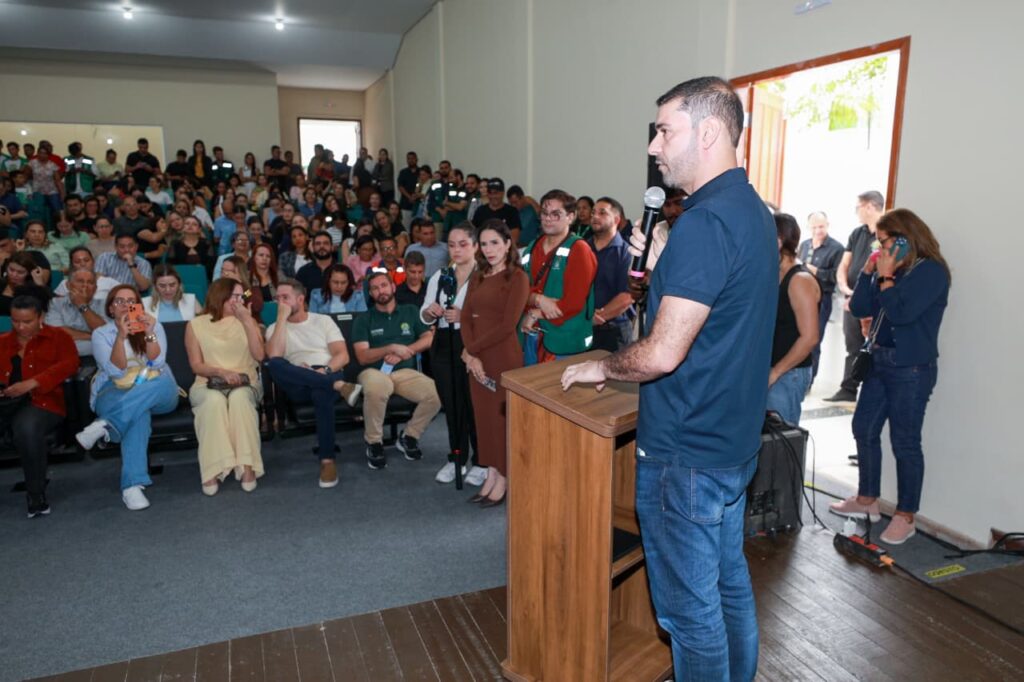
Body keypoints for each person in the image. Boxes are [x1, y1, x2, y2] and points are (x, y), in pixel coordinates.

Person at [561, 77, 777, 680]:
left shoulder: (705, 224)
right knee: (727, 582)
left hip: (686, 452)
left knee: (690, 614)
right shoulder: (754, 212)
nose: (654, 147)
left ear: (708, 132)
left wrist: (601, 365)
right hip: (731, 441)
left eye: (663, 131)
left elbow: (660, 355)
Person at [829, 208, 950, 545]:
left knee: (905, 441)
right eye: (877, 243)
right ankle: (867, 500)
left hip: (910, 368)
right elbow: (861, 308)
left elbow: (901, 312)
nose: (879, 249)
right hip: (880, 361)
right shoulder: (890, 269)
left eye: (884, 242)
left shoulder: (931, 272)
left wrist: (886, 277)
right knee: (863, 427)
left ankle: (905, 515)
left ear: (906, 238)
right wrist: (870, 274)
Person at [77, 285, 181, 511]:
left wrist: (149, 331)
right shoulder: (101, 334)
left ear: (138, 307)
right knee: (138, 414)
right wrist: (121, 337)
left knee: (163, 379)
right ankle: (132, 487)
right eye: (119, 302)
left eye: (130, 301)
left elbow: (157, 363)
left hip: (156, 391)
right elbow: (116, 372)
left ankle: (106, 425)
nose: (125, 306)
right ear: (110, 308)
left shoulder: (154, 326)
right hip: (115, 391)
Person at [460, 220, 530, 506]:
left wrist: (469, 351)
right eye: (484, 243)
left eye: (495, 243)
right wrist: (471, 353)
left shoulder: (517, 278)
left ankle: (504, 479)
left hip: (503, 358)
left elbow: (506, 326)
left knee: (501, 422)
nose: (489, 250)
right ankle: (490, 474)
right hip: (477, 358)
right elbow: (465, 316)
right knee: (484, 421)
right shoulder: (478, 275)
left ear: (507, 244)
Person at [265, 279, 355, 487]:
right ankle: (340, 387)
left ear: (301, 299)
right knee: (275, 364)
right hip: (298, 384)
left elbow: (342, 355)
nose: (281, 303)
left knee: (320, 392)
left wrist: (324, 370)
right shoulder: (274, 328)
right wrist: (281, 319)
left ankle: (327, 460)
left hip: (328, 372)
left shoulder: (322, 321)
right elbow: (274, 356)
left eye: (285, 298)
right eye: (278, 299)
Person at [0, 295, 79, 517]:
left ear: (40, 317)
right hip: (6, 402)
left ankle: (35, 493)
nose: (21, 327)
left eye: (27, 321)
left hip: (43, 401)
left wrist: (34, 382)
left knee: (26, 428)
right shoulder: (3, 342)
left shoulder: (58, 337)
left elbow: (70, 364)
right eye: (15, 321)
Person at [353, 271, 440, 470]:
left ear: (393, 287)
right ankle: (374, 442)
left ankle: (409, 436)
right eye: (374, 288)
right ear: (371, 294)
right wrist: (390, 348)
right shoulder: (364, 319)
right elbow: (362, 356)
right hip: (372, 372)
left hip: (403, 372)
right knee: (379, 386)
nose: (380, 291)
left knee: (436, 393)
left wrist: (404, 353)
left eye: (384, 285)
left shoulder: (410, 311)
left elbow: (428, 338)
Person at [419, 224, 485, 486]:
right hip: (444, 344)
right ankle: (456, 457)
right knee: (452, 404)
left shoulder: (485, 276)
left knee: (474, 405)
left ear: (475, 246)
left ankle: (482, 461)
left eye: (463, 244)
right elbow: (423, 313)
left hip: (472, 344)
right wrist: (430, 312)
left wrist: (464, 315)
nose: (457, 250)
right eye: (452, 245)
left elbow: (493, 316)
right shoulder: (440, 275)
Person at [186, 277, 265, 495]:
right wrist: (221, 372)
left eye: (241, 296)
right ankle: (213, 469)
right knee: (213, 402)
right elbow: (196, 366)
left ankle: (247, 466)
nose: (238, 301)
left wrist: (248, 321)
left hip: (246, 382)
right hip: (207, 382)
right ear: (219, 296)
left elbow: (260, 356)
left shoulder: (248, 320)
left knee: (239, 400)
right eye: (234, 296)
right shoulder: (196, 325)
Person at [520, 189, 597, 364]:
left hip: (565, 341)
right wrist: (537, 299)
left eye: (556, 214)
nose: (548, 218)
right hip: (532, 335)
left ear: (571, 217)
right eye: (545, 213)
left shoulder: (579, 249)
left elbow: (574, 303)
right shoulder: (531, 247)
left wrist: (535, 313)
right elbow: (519, 291)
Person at [827, 190, 885, 403]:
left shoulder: (885, 233)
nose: (857, 212)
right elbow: (844, 264)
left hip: (873, 300)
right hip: (853, 299)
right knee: (852, 343)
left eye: (858, 207)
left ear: (870, 206)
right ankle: (849, 388)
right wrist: (844, 287)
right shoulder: (857, 234)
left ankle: (871, 390)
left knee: (873, 345)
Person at [766, 213, 820, 425]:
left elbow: (810, 337)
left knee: (781, 448)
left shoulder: (799, 280)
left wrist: (776, 372)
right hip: (774, 371)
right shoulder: (774, 274)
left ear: (778, 241)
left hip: (788, 374)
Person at [798, 211, 844, 385]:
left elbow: (835, 276)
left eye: (822, 226)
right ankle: (797, 378)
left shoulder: (836, 248)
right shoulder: (804, 245)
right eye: (815, 227)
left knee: (813, 340)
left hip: (821, 299)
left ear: (828, 225)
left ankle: (809, 380)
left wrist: (816, 271)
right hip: (800, 297)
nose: (818, 230)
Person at [586, 196, 634, 352]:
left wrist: (597, 318)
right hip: (581, 329)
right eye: (593, 212)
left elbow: (627, 296)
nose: (595, 216)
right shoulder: (581, 248)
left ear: (616, 219)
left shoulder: (627, 253)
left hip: (614, 331)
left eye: (602, 213)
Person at [44, 268, 109, 355]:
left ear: (95, 289)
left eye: (90, 282)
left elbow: (105, 332)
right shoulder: (55, 303)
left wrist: (82, 305)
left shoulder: (105, 304)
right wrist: (92, 336)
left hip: (97, 357)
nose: (85, 285)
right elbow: (57, 332)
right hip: (62, 356)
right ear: (69, 285)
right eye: (80, 281)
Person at [471, 178, 521, 245]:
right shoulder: (480, 211)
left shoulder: (511, 211)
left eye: (496, 193)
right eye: (490, 193)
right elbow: (473, 234)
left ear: (503, 193)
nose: (493, 196)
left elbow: (514, 238)